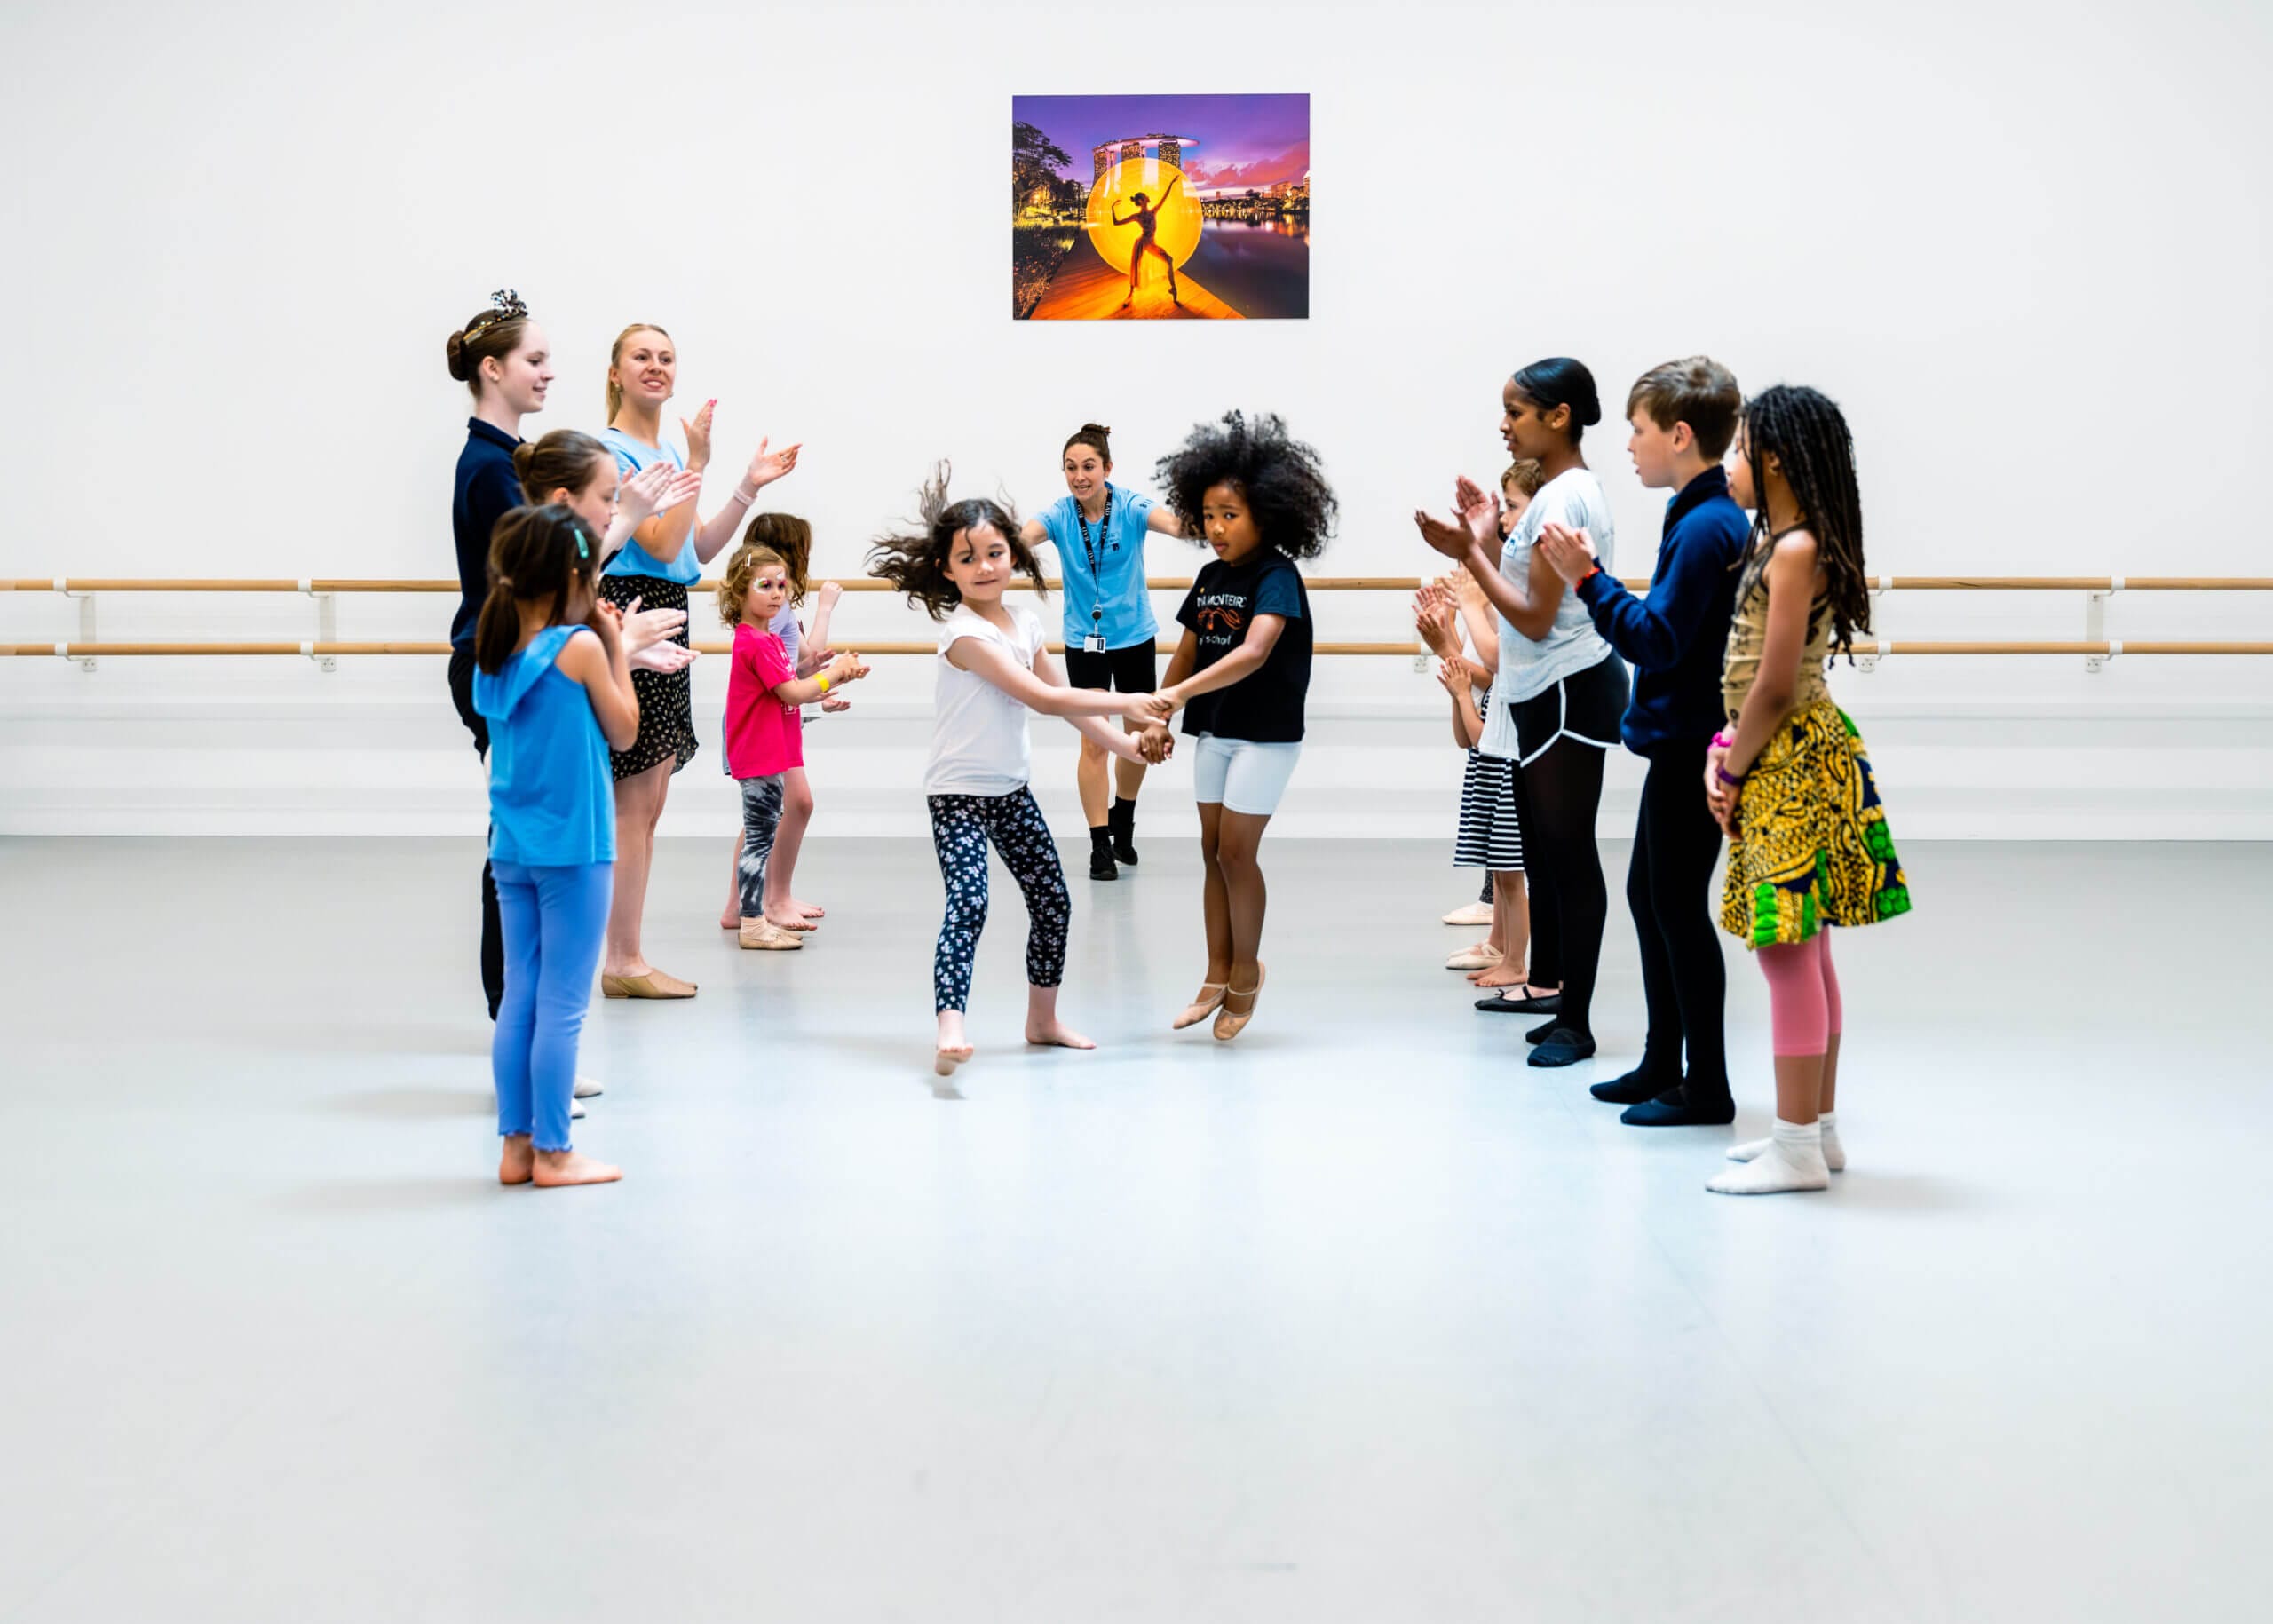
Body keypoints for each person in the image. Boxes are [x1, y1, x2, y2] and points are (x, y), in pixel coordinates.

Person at [868, 467, 1164, 1080]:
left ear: (1014, 554)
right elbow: (1046, 700)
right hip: (957, 797)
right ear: (947, 569)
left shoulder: (1025, 623)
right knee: (969, 902)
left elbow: (1065, 701)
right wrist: (1128, 703)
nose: (984, 566)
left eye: (995, 553)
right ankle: (951, 1024)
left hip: (1009, 792)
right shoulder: (962, 634)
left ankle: (1042, 1019)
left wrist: (1128, 748)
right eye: (968, 558)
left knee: (1053, 901)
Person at [1702, 385, 1911, 1194]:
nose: (1730, 462)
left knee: (1784, 949)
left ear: (1776, 458)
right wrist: (1725, 742)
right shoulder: (1783, 541)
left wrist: (1729, 763)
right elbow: (1752, 674)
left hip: (1787, 759)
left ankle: (1795, 1145)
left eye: (1741, 445)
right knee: (1807, 948)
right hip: (1784, 751)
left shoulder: (1793, 550)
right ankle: (1814, 1130)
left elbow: (1777, 683)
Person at [1538, 358, 1751, 1127]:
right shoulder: (1699, 513)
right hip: (1680, 741)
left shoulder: (1704, 525)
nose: (1629, 444)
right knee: (1651, 898)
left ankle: (1708, 1086)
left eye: (1639, 428)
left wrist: (1587, 578)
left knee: (1677, 912)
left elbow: (1657, 640)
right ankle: (1667, 1061)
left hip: (1693, 744)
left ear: (1681, 434)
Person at [1416, 359, 1628, 1066]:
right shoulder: (1555, 495)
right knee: (1543, 854)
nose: (1504, 425)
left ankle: (1576, 1019)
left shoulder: (1564, 499)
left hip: (1568, 690)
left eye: (1517, 412)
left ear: (1559, 416)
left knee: (1569, 859)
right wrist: (1481, 536)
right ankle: (1556, 998)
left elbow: (1536, 620)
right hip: (1546, 694)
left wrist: (1466, 555)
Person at [594, 323, 802, 1000]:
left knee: (650, 799)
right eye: (641, 357)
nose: (656, 367)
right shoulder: (613, 449)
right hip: (632, 604)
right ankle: (622, 958)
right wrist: (698, 462)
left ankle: (626, 952)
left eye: (666, 357)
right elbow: (654, 541)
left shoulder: (658, 450)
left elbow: (694, 552)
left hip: (664, 602)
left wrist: (743, 482)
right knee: (634, 797)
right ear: (616, 373)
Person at [1136, 411, 1337, 1042]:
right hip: (1215, 730)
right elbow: (1189, 650)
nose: (1217, 528)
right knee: (1208, 850)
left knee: (1235, 851)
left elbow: (1253, 652)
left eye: (1231, 513)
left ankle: (1247, 973)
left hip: (1266, 734)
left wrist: (1173, 695)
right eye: (1209, 515)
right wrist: (1161, 712)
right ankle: (1215, 969)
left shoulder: (1277, 576)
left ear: (1266, 513)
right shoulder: (1211, 577)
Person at [472, 505, 642, 1188]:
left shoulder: (494, 647)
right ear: (573, 575)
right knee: (564, 1004)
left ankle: (515, 1148)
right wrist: (614, 639)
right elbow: (626, 730)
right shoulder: (578, 649)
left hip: (511, 845)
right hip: (575, 847)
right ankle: (553, 1151)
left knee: (522, 993)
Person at [1019, 423, 1191, 879]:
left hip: (1135, 639)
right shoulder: (1059, 515)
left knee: (1138, 740)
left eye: (1088, 467)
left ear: (1107, 468)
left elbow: (1174, 524)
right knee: (1094, 743)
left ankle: (1124, 820)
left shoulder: (1131, 506)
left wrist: (1210, 516)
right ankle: (1099, 843)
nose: (1079, 476)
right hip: (1084, 643)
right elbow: (1021, 539)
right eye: (1071, 468)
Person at [445, 291, 551, 1020]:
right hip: (494, 661)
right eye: (534, 361)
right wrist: (626, 521)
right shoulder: (489, 468)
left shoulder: (509, 459)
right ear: (493, 369)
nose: (547, 374)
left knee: (528, 842)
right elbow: (547, 569)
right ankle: (514, 1014)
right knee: (515, 849)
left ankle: (528, 1020)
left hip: (512, 655)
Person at [719, 541, 868, 949]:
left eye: (781, 586)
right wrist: (834, 674)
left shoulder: (766, 642)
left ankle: (755, 917)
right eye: (764, 585)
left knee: (762, 837)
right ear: (739, 593)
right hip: (760, 755)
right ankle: (752, 923)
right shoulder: (754, 642)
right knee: (759, 842)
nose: (776, 594)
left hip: (772, 750)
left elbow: (788, 687)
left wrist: (832, 680)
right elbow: (791, 693)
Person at [1439, 463, 1542, 930]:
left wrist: (1469, 607)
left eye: (1512, 508)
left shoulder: (1539, 570)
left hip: (1520, 734)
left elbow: (1497, 659)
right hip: (1501, 730)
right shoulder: (1518, 564)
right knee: (1502, 868)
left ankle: (1515, 956)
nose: (1503, 520)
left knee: (1513, 867)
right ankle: (1503, 948)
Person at [1113, 179, 1183, 309]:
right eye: (1145, 197)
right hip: (1142, 243)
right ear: (1141, 201)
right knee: (1135, 266)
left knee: (1169, 260)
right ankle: (1130, 293)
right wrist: (1112, 208)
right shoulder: (1137, 216)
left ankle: (1173, 288)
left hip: (1150, 243)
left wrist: (1171, 184)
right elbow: (1116, 223)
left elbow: (1164, 198)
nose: (1147, 197)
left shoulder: (1153, 211)